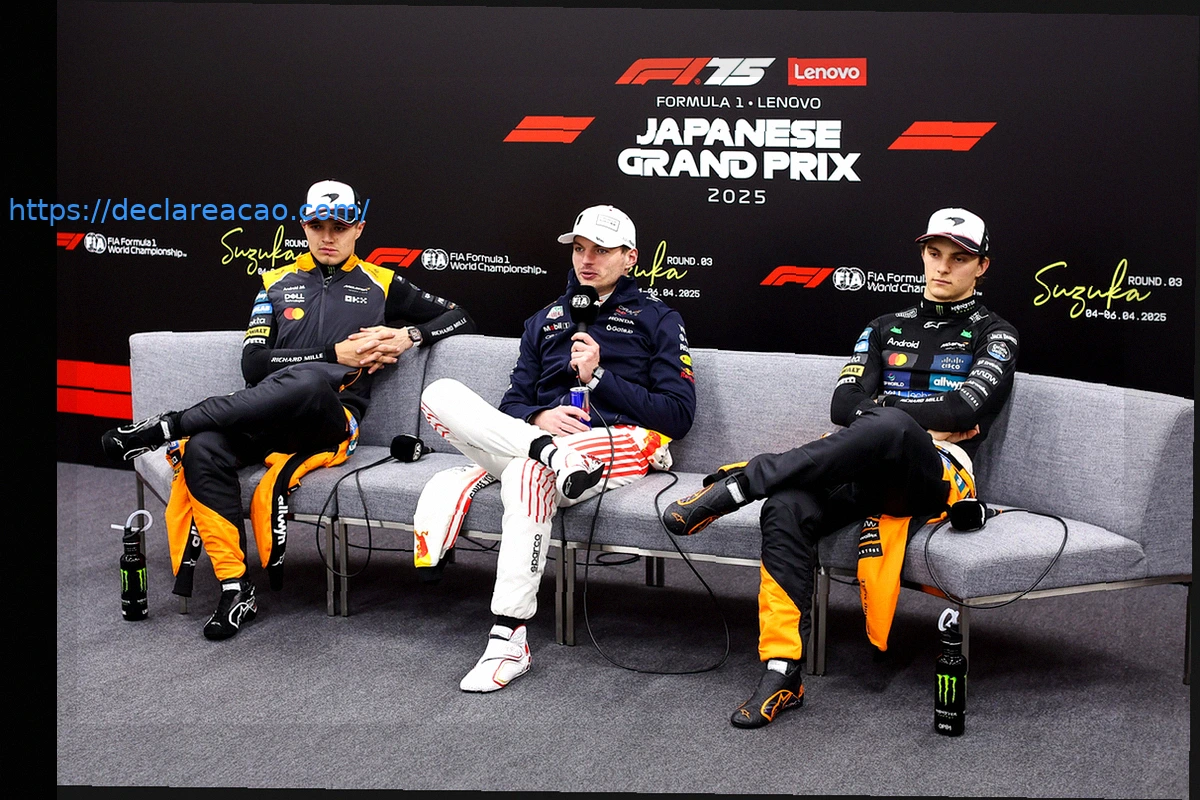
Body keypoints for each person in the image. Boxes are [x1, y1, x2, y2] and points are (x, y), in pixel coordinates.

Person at [661, 207, 1019, 728]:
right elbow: (842, 404)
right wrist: (908, 419)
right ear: (922, 254)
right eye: (934, 253)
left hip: (935, 477)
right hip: (859, 465)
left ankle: (743, 482)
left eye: (959, 258)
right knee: (786, 507)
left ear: (981, 266)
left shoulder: (997, 334)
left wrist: (893, 418)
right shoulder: (883, 327)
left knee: (891, 426)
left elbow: (964, 412)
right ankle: (782, 673)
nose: (942, 266)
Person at [101, 179, 476, 640]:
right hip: (265, 417)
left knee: (311, 380)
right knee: (203, 448)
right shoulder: (274, 282)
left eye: (339, 227)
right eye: (317, 226)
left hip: (329, 420)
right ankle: (236, 589)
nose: (328, 237)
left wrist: (409, 335)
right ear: (303, 226)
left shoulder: (381, 283)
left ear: (359, 228)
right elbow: (254, 364)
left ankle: (165, 426)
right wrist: (333, 353)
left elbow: (460, 315)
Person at [418, 204, 696, 692]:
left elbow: (677, 416)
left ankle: (508, 639)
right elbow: (511, 404)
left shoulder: (659, 318)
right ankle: (549, 450)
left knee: (527, 471)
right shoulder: (543, 319)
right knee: (437, 395)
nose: (587, 260)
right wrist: (538, 419)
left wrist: (600, 376)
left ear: (630, 257)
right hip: (549, 445)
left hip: (625, 440)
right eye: (580, 249)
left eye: (602, 251)